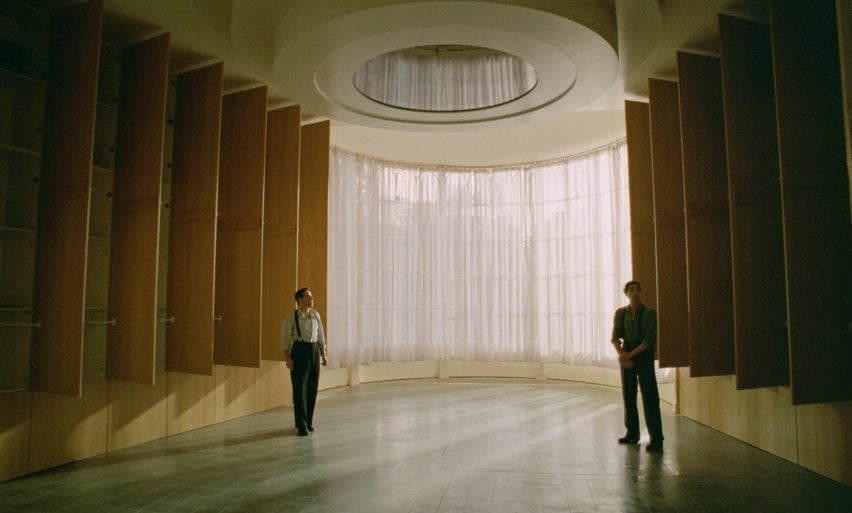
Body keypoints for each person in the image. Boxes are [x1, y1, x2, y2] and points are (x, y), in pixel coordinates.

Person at [610, 280, 664, 452]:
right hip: (627, 357)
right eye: (631, 290)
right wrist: (622, 355)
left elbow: (648, 342)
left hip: (643, 357)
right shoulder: (621, 313)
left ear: (640, 293)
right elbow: (615, 338)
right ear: (626, 293)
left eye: (637, 290)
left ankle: (656, 438)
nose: (634, 293)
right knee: (629, 396)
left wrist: (628, 356)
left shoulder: (649, 313)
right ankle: (632, 433)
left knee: (650, 398)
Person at [282, 287, 327, 436]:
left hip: (314, 350)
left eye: (312, 296)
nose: (312, 299)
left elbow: (320, 334)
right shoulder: (292, 317)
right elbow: (285, 339)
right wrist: (287, 358)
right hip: (300, 351)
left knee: (312, 387)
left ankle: (309, 421)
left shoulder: (315, 315)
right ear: (300, 300)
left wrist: (323, 353)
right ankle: (301, 425)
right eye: (308, 297)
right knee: (300, 388)